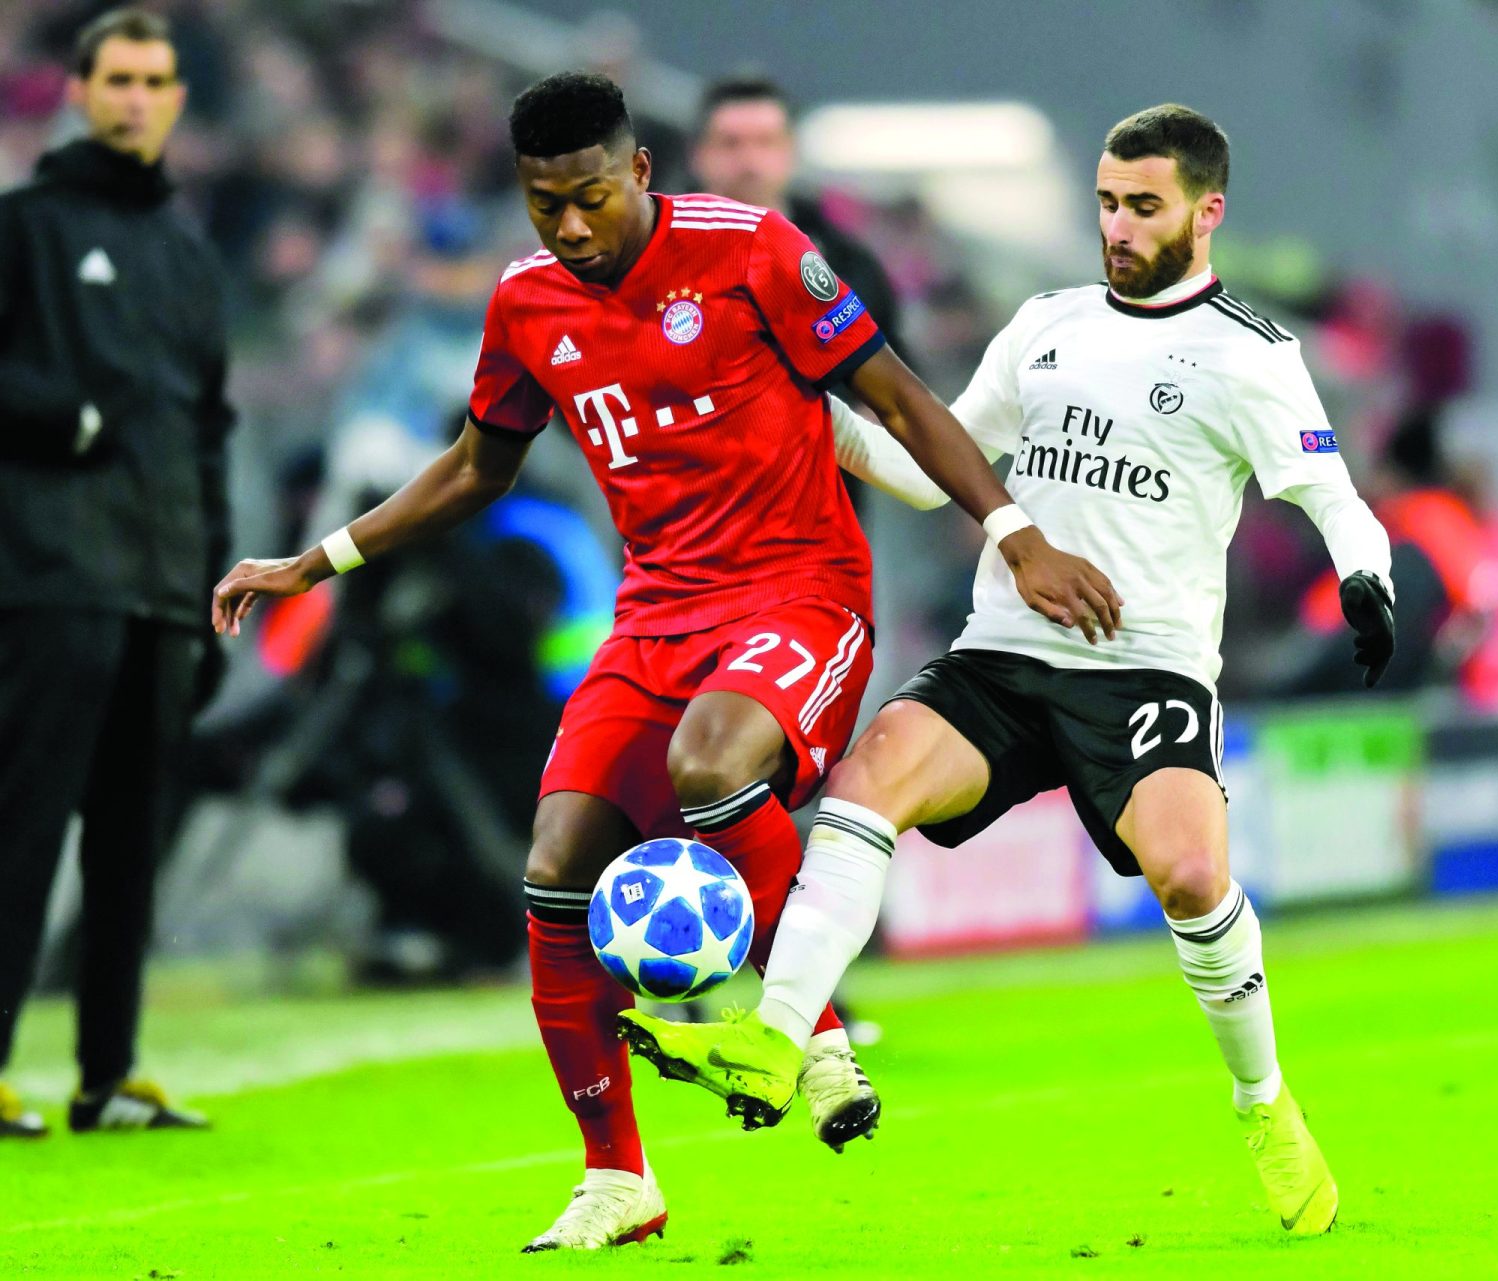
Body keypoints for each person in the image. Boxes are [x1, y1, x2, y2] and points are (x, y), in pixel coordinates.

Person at [210, 72, 1120, 1253]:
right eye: (546, 207)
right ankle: (618, 1180)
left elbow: (898, 399)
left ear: (638, 171)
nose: (572, 228)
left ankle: (815, 1034)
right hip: (656, 617)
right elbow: (477, 466)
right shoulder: (529, 302)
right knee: (554, 873)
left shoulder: (757, 254)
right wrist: (317, 561)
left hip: (801, 592)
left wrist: (1015, 535)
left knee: (712, 765)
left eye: (590, 197)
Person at [616, 104, 1396, 1237]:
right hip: (1003, 656)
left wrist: (1365, 577)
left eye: (1143, 208)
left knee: (1188, 878)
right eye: (1105, 205)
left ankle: (1263, 1101)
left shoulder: (1251, 356)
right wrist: (802, 409)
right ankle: (778, 1039)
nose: (1117, 228)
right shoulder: (1044, 324)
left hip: (1145, 673)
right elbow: (931, 466)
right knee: (867, 783)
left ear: (1206, 211)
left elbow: (1333, 497)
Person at [0, 8, 231, 1140]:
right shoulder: (24, 229)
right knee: (20, 828)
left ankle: (107, 1073)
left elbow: (210, 427)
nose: (137, 97)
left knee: (130, 842)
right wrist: (70, 418)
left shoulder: (189, 254)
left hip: (161, 584)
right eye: (118, 78)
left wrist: (214, 581)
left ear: (178, 97)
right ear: (80, 90)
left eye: (155, 80)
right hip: (48, 578)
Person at [689, 75, 908, 372]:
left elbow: (898, 370)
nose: (749, 161)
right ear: (699, 154)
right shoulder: (655, 260)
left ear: (790, 151)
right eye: (730, 144)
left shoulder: (847, 264)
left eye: (765, 142)